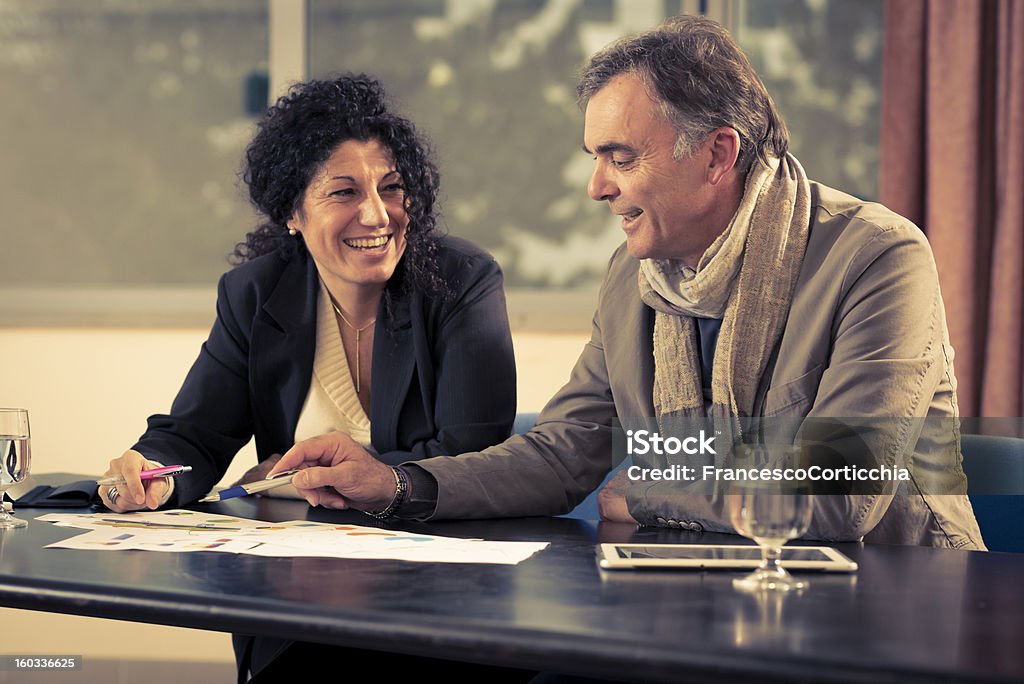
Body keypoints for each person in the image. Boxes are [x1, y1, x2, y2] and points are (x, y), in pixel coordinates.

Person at [272, 16, 984, 550]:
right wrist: (395, 484)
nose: (596, 187)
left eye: (620, 157)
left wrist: (646, 487)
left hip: (891, 610)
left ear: (717, 154)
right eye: (595, 156)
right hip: (700, 600)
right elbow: (565, 452)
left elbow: (838, 488)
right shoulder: (631, 275)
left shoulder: (879, 256)